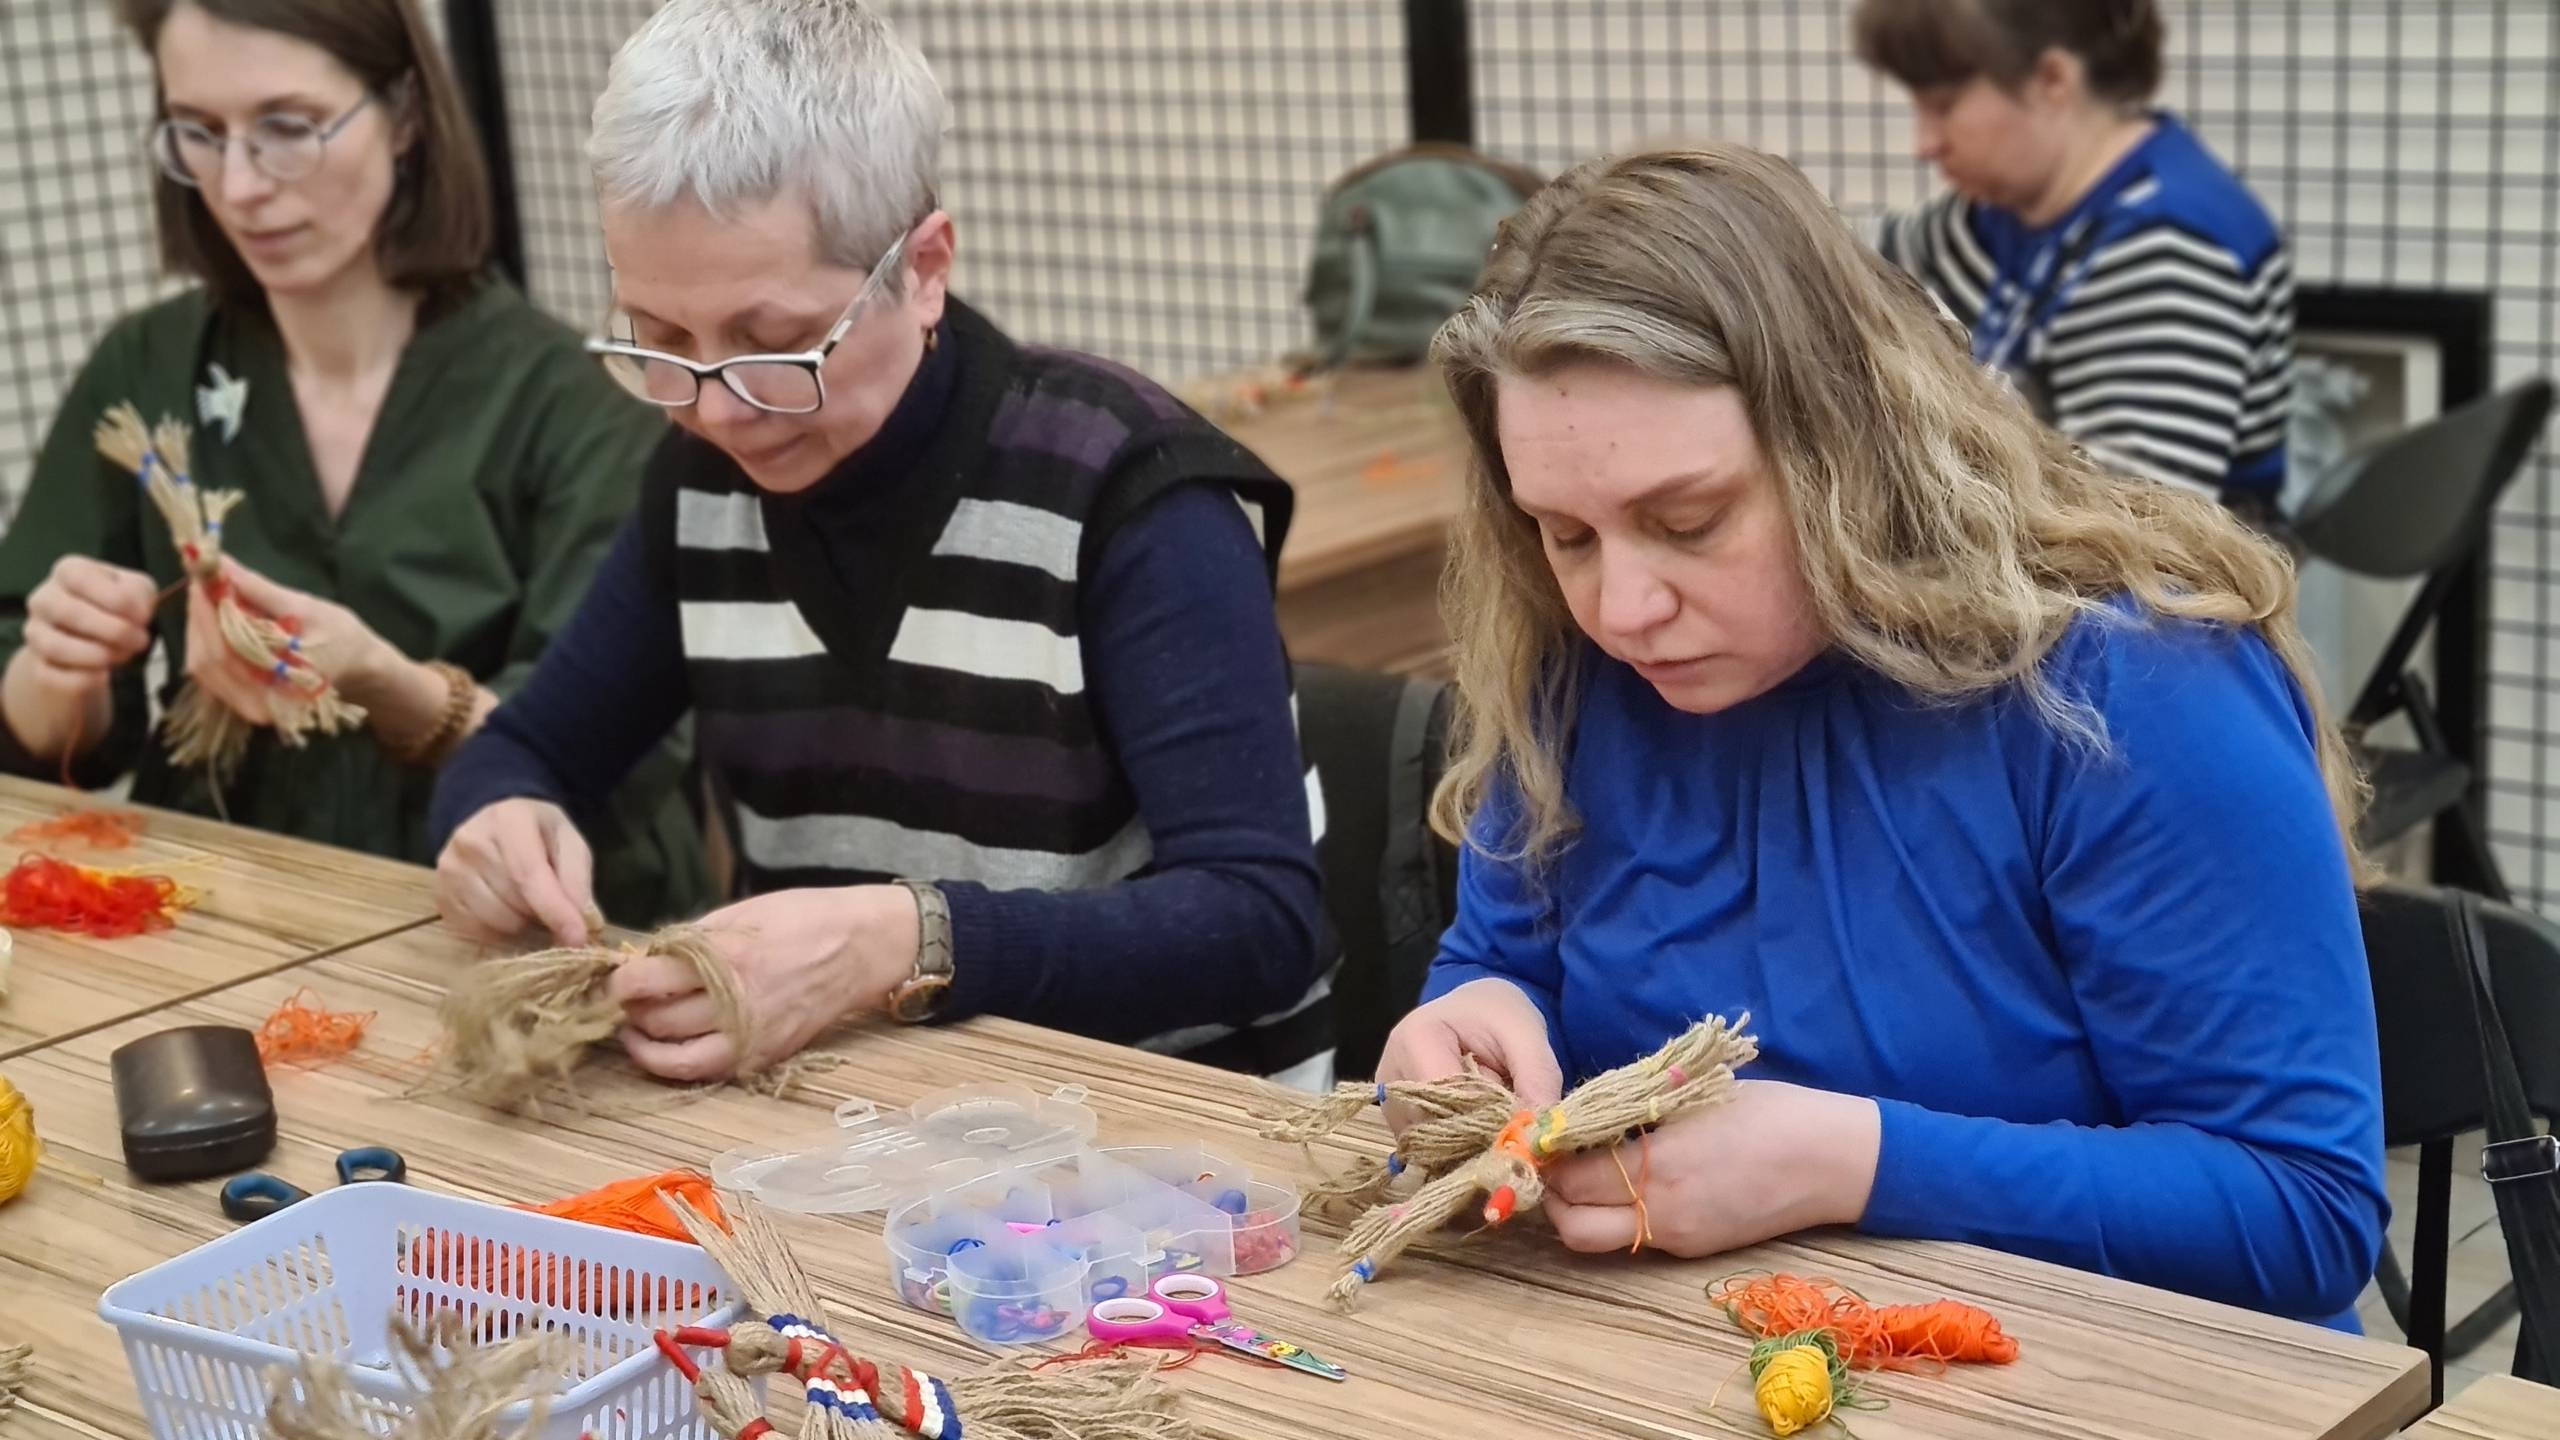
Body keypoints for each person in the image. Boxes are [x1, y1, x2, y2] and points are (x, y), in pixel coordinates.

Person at [1373, 144, 2386, 1329]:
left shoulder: (2130, 683)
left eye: (1687, 521)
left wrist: (1849, 1165)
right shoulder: (1578, 661)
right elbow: (1510, 970)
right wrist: (1472, 1026)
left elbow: (2302, 1212)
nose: (1623, 608)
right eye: (1566, 534)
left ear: (1850, 451)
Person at [427, 0, 1332, 1086]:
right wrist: (497, 817)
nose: (717, 411)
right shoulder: (703, 486)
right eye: (659, 342)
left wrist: (902, 944)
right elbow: (526, 748)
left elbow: (1260, 919)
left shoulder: (1128, 495)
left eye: (773, 345)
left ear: (923, 265)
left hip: (1159, 1154)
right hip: (857, 1121)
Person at [0, 0, 709, 927]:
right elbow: (40, 728)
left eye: (288, 129)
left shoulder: (574, 405)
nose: (243, 184)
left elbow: (608, 749)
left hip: (526, 938)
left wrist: (386, 681)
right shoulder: (149, 373)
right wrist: (63, 674)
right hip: (228, 921)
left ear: (406, 115)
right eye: (199, 133)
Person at [1855, 0, 2293, 520]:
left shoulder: (2161, 253)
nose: (1924, 144)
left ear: (2052, 80)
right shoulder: (2008, 209)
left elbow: (2132, 531)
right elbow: (1851, 255)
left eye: (1944, 106)